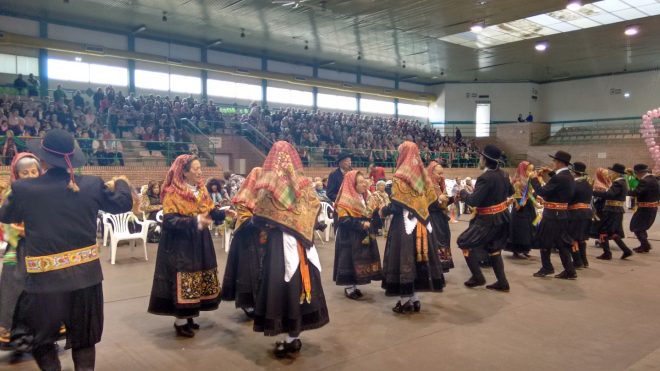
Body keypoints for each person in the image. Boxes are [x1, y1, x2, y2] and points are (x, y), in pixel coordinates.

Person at [0, 129, 133, 370]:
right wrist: (122, 181)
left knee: (42, 341)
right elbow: (123, 203)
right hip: (86, 280)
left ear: (42, 160)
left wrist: (17, 189)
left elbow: (6, 214)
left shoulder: (25, 190)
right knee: (84, 340)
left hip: (44, 283)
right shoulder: (92, 184)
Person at [251, 141, 329, 357]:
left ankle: (289, 336)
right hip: (302, 244)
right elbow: (314, 211)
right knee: (298, 284)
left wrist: (270, 224)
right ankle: (293, 337)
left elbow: (257, 218)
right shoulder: (304, 187)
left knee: (283, 285)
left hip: (280, 247)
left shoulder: (268, 190)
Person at [148, 155, 233, 338]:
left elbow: (209, 211)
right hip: (181, 243)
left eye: (200, 168)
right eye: (195, 169)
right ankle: (180, 321)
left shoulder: (201, 190)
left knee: (197, 276)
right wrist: (194, 221)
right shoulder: (173, 192)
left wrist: (223, 214)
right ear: (184, 172)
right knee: (184, 277)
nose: (200, 172)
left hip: (199, 240)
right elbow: (170, 221)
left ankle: (190, 315)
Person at [379, 141, 445, 313]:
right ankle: (415, 299)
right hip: (423, 224)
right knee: (418, 259)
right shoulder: (424, 178)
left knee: (404, 258)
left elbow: (395, 206)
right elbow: (431, 203)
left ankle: (405, 300)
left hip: (404, 226)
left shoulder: (399, 178)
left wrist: (382, 211)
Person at [0, 153, 42, 361]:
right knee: (15, 290)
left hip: (42, 248)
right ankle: (18, 337)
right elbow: (6, 222)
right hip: (17, 250)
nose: (30, 176)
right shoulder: (11, 193)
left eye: (33, 172)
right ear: (17, 174)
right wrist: (21, 229)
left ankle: (42, 334)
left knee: (42, 294)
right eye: (24, 173)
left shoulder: (45, 192)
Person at [456, 144, 513, 292]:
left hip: (487, 219)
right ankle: (502, 282)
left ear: (485, 159)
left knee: (464, 242)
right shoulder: (505, 174)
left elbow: (473, 201)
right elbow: (510, 192)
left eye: (481, 157)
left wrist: (462, 192)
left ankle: (477, 277)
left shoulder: (485, 178)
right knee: (494, 249)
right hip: (503, 217)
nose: (479, 160)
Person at [220, 167, 264, 318]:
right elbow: (245, 218)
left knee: (261, 271)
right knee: (247, 271)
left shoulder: (265, 196)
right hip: (246, 239)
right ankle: (248, 304)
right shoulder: (245, 196)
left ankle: (260, 302)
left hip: (261, 239)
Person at [333, 170, 383, 300]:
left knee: (360, 259)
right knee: (349, 260)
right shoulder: (344, 201)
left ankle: (354, 285)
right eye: (360, 182)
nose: (364, 184)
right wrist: (361, 224)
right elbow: (343, 221)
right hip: (349, 237)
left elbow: (369, 214)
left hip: (361, 235)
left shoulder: (365, 197)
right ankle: (350, 287)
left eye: (364, 181)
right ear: (352, 184)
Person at [530, 151, 577, 279]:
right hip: (561, 214)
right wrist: (550, 172)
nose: (553, 163)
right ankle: (570, 270)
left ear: (559, 162)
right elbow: (557, 185)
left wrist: (534, 179)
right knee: (561, 243)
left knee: (544, 242)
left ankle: (547, 267)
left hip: (552, 215)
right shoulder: (569, 176)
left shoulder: (559, 178)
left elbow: (543, 191)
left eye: (554, 161)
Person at [592, 163, 633, 260]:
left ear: (617, 173)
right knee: (611, 231)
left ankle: (608, 253)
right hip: (615, 210)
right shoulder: (622, 182)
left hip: (612, 210)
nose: (611, 174)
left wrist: (593, 191)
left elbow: (610, 194)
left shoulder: (618, 183)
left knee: (603, 229)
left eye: (613, 172)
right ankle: (625, 250)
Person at [426, 161, 454, 272]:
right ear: (431, 173)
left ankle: (442, 265)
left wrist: (452, 199)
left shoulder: (440, 186)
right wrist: (439, 199)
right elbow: (426, 204)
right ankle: (434, 267)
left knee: (444, 239)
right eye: (439, 173)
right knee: (436, 241)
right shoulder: (427, 186)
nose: (441, 176)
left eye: (442, 173)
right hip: (432, 219)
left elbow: (443, 204)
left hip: (441, 219)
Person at [506, 161, 537, 259]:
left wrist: (537, 201)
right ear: (523, 169)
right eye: (529, 170)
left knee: (529, 228)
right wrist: (521, 201)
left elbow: (531, 194)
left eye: (532, 170)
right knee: (520, 229)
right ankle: (517, 250)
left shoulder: (528, 181)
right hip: (520, 208)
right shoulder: (518, 181)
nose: (531, 172)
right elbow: (516, 195)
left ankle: (525, 249)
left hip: (528, 207)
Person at [567, 162, 593, 268]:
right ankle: (584, 261)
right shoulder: (588, 183)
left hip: (575, 213)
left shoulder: (574, 184)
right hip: (586, 212)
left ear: (574, 172)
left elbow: (569, 198)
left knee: (572, 238)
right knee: (581, 238)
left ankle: (577, 260)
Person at [628, 164, 658, 253]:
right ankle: (644, 245)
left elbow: (637, 192)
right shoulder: (654, 179)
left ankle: (645, 245)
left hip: (645, 209)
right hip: (652, 207)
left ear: (639, 173)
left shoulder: (645, 181)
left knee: (636, 226)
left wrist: (625, 191)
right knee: (641, 227)